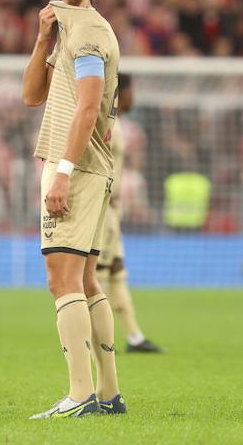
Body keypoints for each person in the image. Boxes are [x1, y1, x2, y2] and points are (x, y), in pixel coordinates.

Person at [21, 0, 124, 419]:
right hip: (85, 166)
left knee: (60, 279)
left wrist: (61, 172)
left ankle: (79, 394)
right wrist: (42, 39)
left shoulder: (86, 33)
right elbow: (30, 96)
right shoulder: (66, 32)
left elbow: (88, 107)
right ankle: (107, 393)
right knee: (84, 279)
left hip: (76, 168)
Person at [94, 73, 164, 353]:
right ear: (121, 93)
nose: (135, 97)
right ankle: (90, 337)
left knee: (116, 272)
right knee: (98, 274)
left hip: (113, 210)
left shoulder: (118, 124)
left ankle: (134, 337)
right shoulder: (107, 124)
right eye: (132, 91)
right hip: (102, 210)